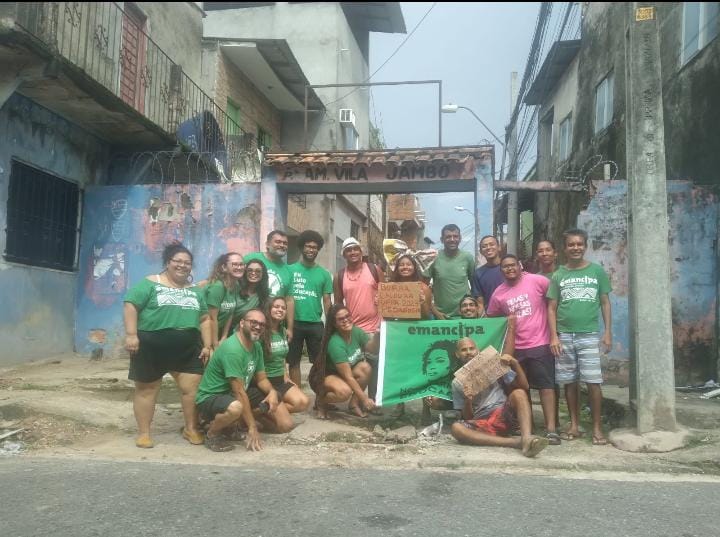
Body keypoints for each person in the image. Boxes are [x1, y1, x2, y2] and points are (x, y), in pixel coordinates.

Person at [123, 243, 213, 449]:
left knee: (191, 390)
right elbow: (130, 304)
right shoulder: (150, 283)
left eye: (187, 263)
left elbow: (205, 319)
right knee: (147, 389)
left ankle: (191, 428)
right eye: (178, 261)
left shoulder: (195, 291)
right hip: (150, 347)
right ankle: (144, 433)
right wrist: (131, 334)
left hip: (188, 349)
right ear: (167, 263)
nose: (182, 266)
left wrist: (207, 345)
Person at [547, 228, 612, 445]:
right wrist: (554, 337)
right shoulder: (558, 275)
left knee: (593, 382)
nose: (575, 248)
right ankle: (574, 425)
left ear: (585, 246)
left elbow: (604, 302)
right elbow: (552, 308)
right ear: (564, 249)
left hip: (589, 335)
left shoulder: (597, 272)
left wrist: (608, 332)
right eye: (571, 245)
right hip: (564, 336)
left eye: (579, 244)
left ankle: (596, 428)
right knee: (569, 383)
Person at [195, 309, 294, 452]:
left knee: (284, 422)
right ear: (242, 323)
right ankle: (212, 432)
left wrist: (272, 392)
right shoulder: (233, 349)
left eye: (262, 324)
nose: (258, 327)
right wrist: (252, 427)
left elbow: (261, 379)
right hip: (212, 396)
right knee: (236, 407)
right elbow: (239, 392)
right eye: (253, 322)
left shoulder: (257, 346)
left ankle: (232, 425)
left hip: (236, 393)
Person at [486, 254, 560, 444]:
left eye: (512, 265)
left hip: (540, 343)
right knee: (520, 388)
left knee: (546, 386)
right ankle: (529, 427)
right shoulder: (499, 293)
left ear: (520, 266)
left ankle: (551, 429)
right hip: (515, 349)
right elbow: (491, 317)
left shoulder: (538, 281)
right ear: (501, 271)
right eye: (505, 267)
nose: (509, 269)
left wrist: (555, 333)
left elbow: (554, 301)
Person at [450, 338, 549, 458]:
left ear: (478, 350)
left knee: (519, 393)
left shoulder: (493, 364)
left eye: (472, 348)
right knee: (456, 428)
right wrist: (468, 401)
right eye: (463, 350)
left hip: (503, 415)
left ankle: (526, 436)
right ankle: (518, 442)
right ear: (457, 354)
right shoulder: (457, 382)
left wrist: (515, 363)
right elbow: (468, 417)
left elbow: (524, 386)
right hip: (482, 422)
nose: (468, 352)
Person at [333, 237, 385, 407]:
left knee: (375, 364)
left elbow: (386, 295)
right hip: (352, 329)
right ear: (344, 254)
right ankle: (356, 400)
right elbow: (338, 305)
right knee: (358, 367)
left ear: (361, 252)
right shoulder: (340, 276)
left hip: (374, 327)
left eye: (356, 249)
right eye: (349, 250)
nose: (353, 252)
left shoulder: (374, 269)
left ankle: (374, 400)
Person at [310, 305, 379, 419]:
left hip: (343, 374)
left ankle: (353, 404)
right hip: (325, 376)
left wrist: (378, 335)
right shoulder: (335, 343)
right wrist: (365, 399)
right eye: (341, 319)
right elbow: (348, 377)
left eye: (347, 316)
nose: (346, 320)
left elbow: (371, 349)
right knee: (344, 392)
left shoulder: (356, 331)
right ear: (334, 324)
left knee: (366, 368)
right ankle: (321, 401)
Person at [287, 230, 333, 388]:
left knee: (320, 364)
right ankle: (296, 395)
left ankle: (320, 399)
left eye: (315, 247)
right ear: (301, 247)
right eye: (308, 246)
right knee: (293, 362)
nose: (311, 250)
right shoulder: (290, 270)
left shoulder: (324, 274)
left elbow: (327, 301)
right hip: (293, 323)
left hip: (315, 323)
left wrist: (330, 326)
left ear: (318, 249)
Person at [262, 296, 310, 413]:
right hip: (266, 381)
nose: (280, 310)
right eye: (276, 307)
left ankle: (267, 410)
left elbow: (282, 358)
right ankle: (259, 412)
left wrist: (286, 377)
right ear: (268, 309)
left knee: (303, 402)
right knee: (287, 419)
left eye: (283, 308)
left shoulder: (283, 331)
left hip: (280, 379)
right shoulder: (261, 332)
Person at [245, 230, 295, 340]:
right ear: (267, 244)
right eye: (278, 242)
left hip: (273, 325)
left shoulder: (288, 271)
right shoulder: (252, 259)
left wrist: (290, 328)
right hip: (250, 321)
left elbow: (289, 300)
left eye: (285, 243)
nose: (282, 245)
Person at [423, 224, 475, 319]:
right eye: (448, 237)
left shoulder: (468, 258)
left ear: (460, 238)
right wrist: (435, 312)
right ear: (442, 239)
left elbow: (475, 286)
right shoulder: (433, 258)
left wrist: (473, 308)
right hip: (440, 316)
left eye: (455, 236)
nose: (452, 239)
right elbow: (423, 289)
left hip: (465, 315)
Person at [204, 252, 244, 349]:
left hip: (219, 333)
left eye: (241, 264)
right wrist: (215, 344)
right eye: (235, 264)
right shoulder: (218, 286)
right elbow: (212, 319)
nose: (239, 267)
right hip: (205, 334)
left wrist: (224, 337)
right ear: (224, 267)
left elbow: (230, 313)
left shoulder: (236, 285)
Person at [228, 258, 270, 339]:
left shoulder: (263, 296)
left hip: (241, 333)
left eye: (258, 271)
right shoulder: (236, 286)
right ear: (245, 272)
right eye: (250, 270)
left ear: (263, 274)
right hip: (222, 328)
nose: (253, 273)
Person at [390, 253, 433, 320]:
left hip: (417, 327)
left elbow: (427, 315)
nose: (405, 267)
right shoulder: (391, 289)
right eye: (401, 265)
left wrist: (422, 303)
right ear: (397, 269)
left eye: (409, 264)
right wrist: (381, 304)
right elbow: (388, 317)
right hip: (398, 327)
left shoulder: (423, 288)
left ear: (414, 268)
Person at [471, 235, 504, 315]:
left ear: (499, 247)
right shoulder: (478, 274)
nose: (488, 248)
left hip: (512, 316)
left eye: (492, 244)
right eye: (484, 246)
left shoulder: (510, 268)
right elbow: (480, 303)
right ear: (481, 252)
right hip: (491, 317)